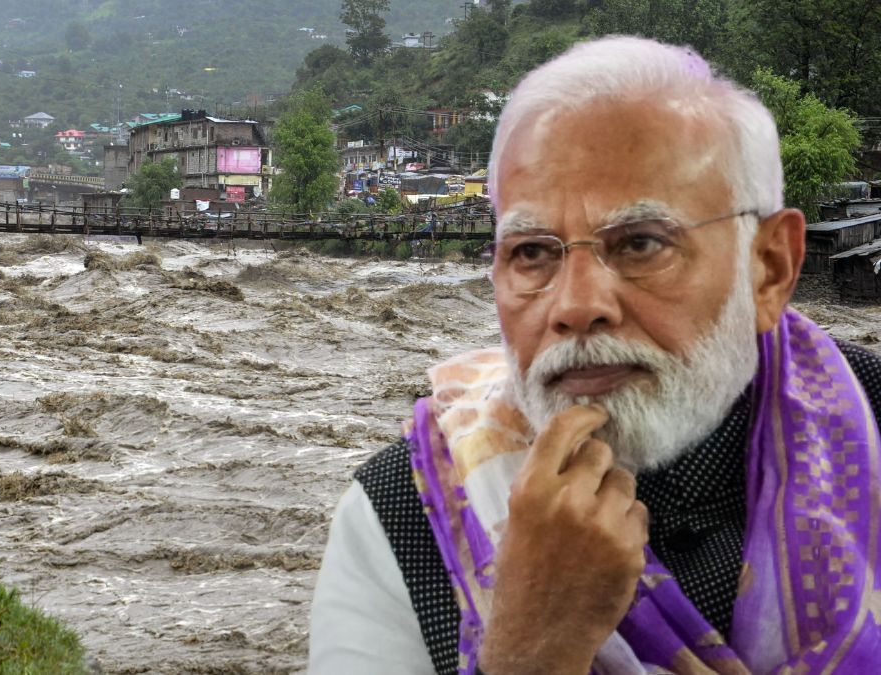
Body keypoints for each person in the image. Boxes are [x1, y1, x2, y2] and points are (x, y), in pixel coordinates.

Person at [309, 36, 881, 674]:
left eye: (640, 242)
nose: (575, 306)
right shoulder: (404, 519)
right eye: (531, 251)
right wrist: (531, 652)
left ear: (769, 269)